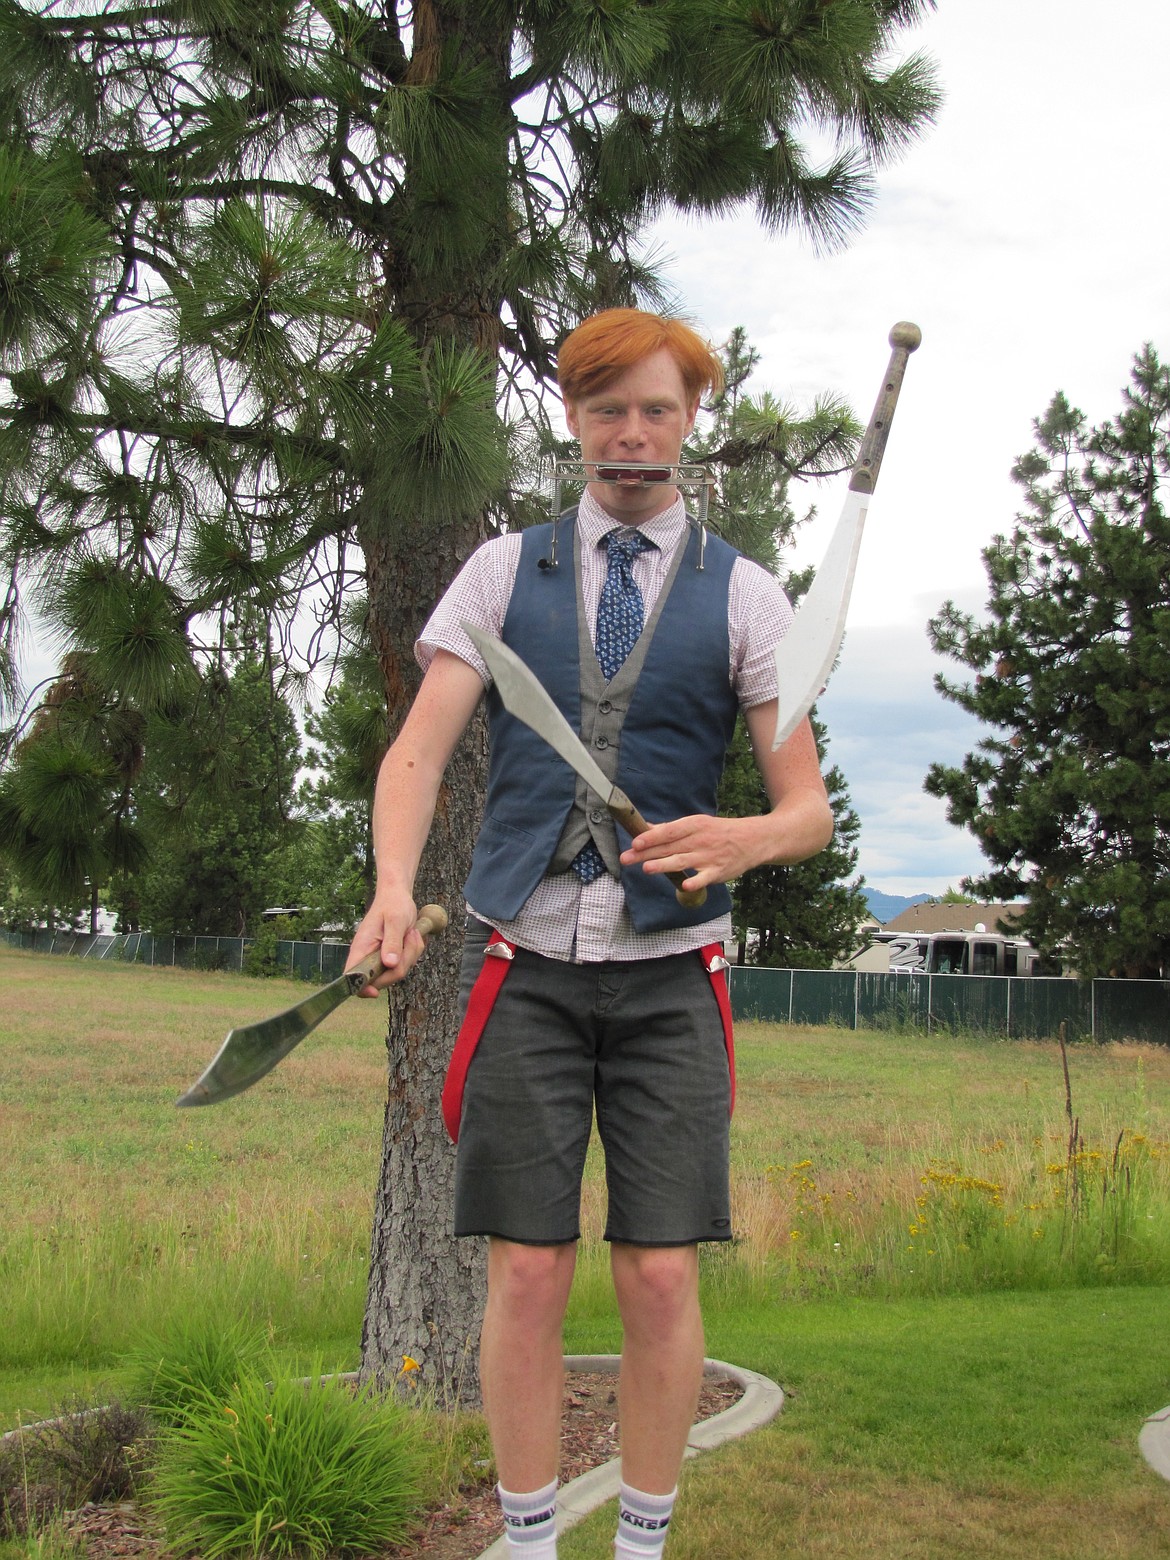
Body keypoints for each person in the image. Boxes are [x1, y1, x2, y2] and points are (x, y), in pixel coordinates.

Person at [346, 308, 833, 1558]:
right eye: (607, 409)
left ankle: (644, 1540)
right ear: (571, 419)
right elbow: (417, 751)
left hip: (673, 975)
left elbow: (806, 813)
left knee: (663, 1276)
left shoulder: (750, 596)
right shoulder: (503, 574)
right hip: (526, 965)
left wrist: (737, 840)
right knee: (525, 1272)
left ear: (690, 424)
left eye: (656, 410)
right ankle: (525, 1536)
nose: (632, 433)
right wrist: (395, 884)